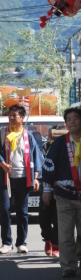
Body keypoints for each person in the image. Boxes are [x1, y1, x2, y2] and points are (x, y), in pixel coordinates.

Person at [42, 108, 81, 277]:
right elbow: (48, 167)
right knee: (65, 232)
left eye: (76, 118)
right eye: (69, 119)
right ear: (65, 124)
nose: (72, 121)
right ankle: (68, 266)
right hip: (64, 195)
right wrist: (47, 190)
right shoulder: (59, 144)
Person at [0, 105, 42, 254]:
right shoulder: (3, 133)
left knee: (22, 212)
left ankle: (21, 242)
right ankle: (6, 242)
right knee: (4, 210)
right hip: (5, 180)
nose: (11, 117)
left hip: (23, 178)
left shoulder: (27, 135)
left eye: (15, 115)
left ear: (22, 118)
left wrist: (36, 177)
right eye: (10, 115)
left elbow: (36, 157)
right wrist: (2, 163)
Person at [38, 125, 61, 258]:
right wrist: (46, 189)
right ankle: (47, 240)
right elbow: (43, 167)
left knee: (58, 219)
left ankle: (56, 245)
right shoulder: (46, 147)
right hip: (47, 186)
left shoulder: (68, 146)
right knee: (44, 218)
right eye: (53, 134)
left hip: (62, 188)